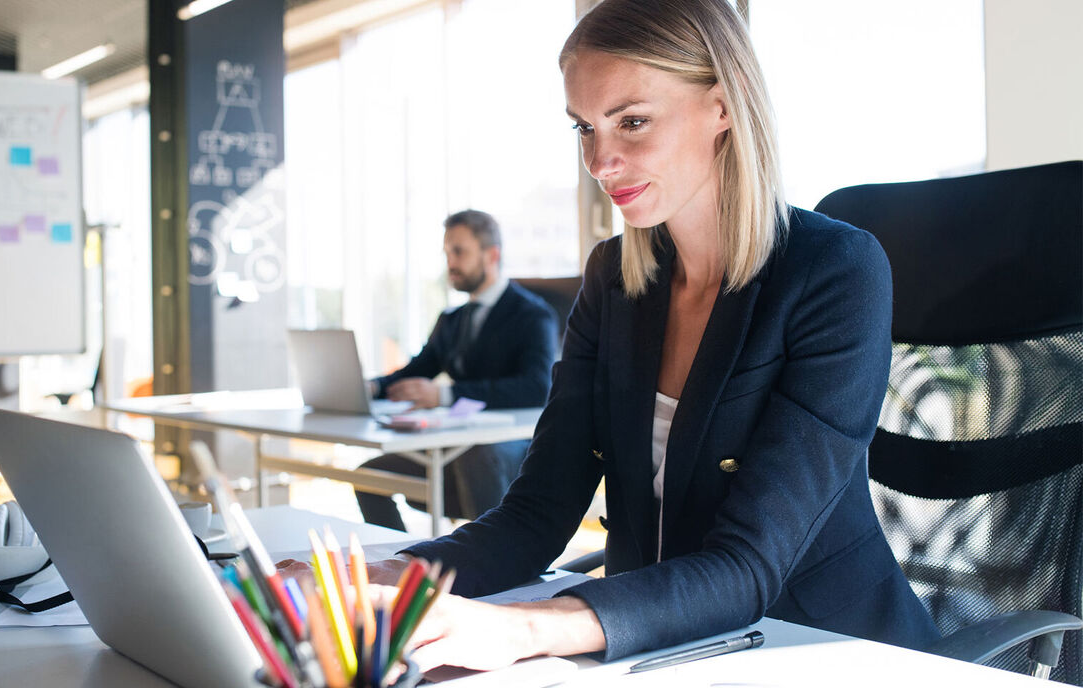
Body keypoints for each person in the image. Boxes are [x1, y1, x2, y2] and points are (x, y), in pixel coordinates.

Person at [358, 0, 941, 671]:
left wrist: (521, 628)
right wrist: (380, 581)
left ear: (722, 106)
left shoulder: (836, 274)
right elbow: (537, 513)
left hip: (822, 650)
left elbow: (748, 567)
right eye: (584, 128)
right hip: (657, 648)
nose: (600, 162)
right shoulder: (613, 280)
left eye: (631, 121)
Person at [354, 209, 558, 531]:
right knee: (369, 477)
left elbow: (536, 387)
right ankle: (408, 570)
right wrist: (371, 388)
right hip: (456, 442)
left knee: (476, 457)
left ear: (492, 255)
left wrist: (445, 394)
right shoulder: (452, 320)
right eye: (447, 252)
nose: (450, 262)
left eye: (459, 251)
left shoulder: (532, 315)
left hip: (510, 445)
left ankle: (491, 564)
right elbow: (417, 370)